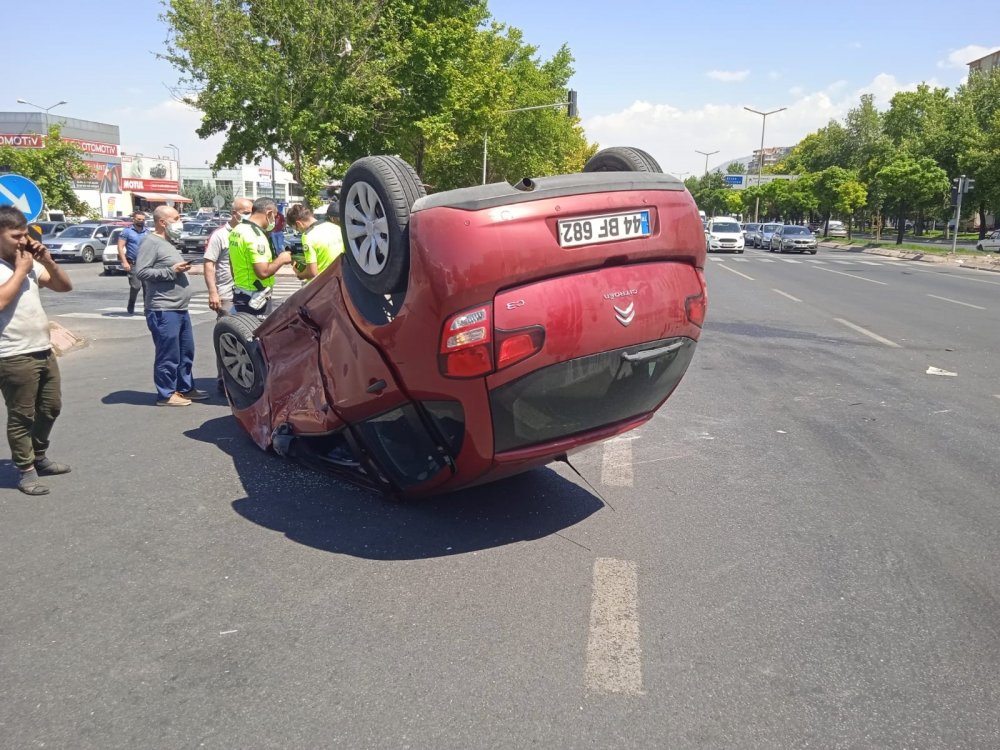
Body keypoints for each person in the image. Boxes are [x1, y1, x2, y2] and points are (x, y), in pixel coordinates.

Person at [0, 206, 74, 495]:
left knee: (51, 407)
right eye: (15, 236)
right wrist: (21, 271)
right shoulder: (18, 267)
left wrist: (48, 261)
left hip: (43, 348)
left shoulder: (29, 262)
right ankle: (26, 470)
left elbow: (64, 287)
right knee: (22, 416)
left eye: (25, 235)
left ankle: (39, 456)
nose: (23, 241)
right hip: (11, 354)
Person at [134, 206, 207, 407]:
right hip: (163, 309)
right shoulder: (150, 242)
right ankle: (166, 394)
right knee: (168, 353)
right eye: (176, 218)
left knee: (185, 351)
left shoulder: (167, 242)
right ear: (162, 222)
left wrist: (178, 269)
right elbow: (142, 272)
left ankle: (185, 388)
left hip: (180, 307)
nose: (180, 222)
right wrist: (171, 271)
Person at [203, 197, 252, 391]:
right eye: (246, 212)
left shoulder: (249, 232)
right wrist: (213, 292)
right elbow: (209, 264)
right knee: (228, 337)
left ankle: (243, 379)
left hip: (247, 294)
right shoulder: (220, 235)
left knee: (247, 337)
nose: (249, 215)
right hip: (227, 294)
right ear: (234, 213)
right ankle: (224, 381)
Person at [228, 197, 293, 316]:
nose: (274, 221)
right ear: (269, 213)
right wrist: (282, 259)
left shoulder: (237, 230)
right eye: (274, 216)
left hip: (241, 291)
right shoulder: (255, 236)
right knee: (256, 328)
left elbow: (232, 263)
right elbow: (263, 272)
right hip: (255, 297)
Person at [285, 203, 344, 282]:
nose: (299, 231)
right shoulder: (336, 227)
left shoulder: (308, 236)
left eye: (296, 229)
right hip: (342, 279)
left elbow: (312, 272)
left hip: (322, 283)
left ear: (299, 224)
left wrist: (300, 274)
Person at [117, 210, 149, 314]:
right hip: (133, 263)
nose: (141, 221)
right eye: (139, 219)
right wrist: (124, 262)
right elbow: (120, 247)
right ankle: (131, 303)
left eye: (143, 219)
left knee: (147, 287)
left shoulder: (147, 232)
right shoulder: (127, 231)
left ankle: (147, 308)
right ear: (134, 219)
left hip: (146, 263)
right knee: (136, 286)